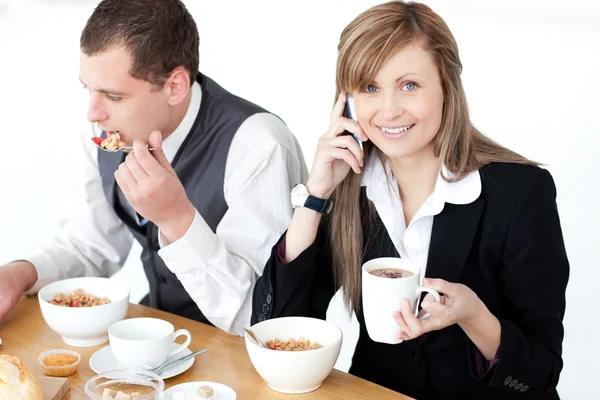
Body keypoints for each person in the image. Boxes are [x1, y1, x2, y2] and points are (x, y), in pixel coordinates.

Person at [251, 1, 569, 398]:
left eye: (409, 85)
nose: (388, 110)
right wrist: (315, 196)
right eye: (370, 88)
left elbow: (541, 371)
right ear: (347, 101)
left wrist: (473, 316)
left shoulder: (520, 192)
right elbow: (280, 329)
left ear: (447, 87)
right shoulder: (351, 187)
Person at [0, 0, 307, 336]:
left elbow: (255, 315)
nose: (93, 113)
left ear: (175, 86)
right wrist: (21, 273)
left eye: (113, 96)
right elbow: (90, 242)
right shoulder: (105, 131)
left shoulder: (258, 145)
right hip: (162, 333)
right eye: (88, 89)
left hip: (256, 357)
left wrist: (176, 219)